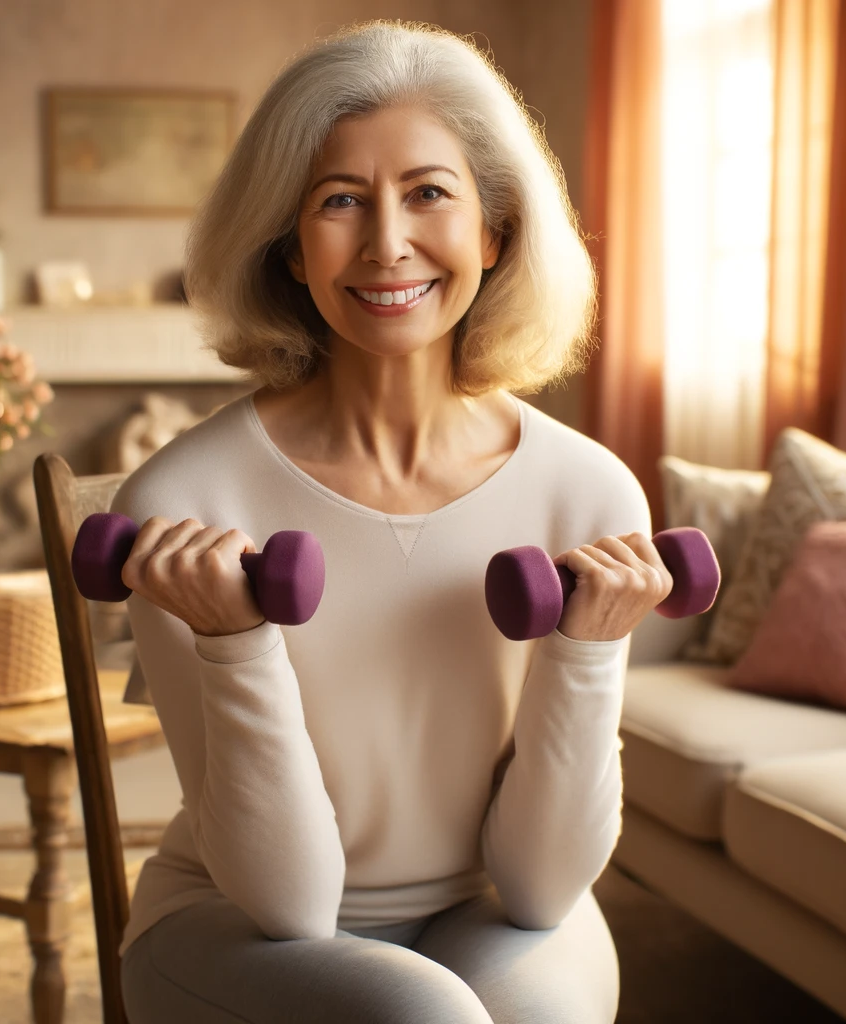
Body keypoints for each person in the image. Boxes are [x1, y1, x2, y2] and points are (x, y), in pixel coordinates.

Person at [112, 18, 671, 1024]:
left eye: (428, 193)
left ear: (494, 229)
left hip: (490, 907)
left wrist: (585, 651)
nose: (386, 243)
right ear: (287, 247)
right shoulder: (182, 507)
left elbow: (541, 888)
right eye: (339, 201)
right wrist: (233, 640)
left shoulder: (589, 495)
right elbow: (288, 903)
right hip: (235, 924)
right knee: (420, 1016)